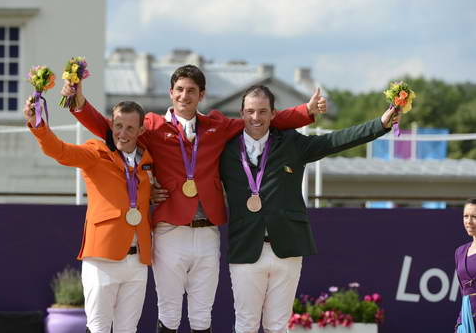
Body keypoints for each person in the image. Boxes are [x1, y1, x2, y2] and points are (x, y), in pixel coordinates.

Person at [60, 64, 327, 332]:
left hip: (207, 231)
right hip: (170, 230)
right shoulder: (150, 126)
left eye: (191, 91)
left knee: (201, 317)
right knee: (169, 314)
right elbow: (108, 128)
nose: (184, 96)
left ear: (201, 95)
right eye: (179, 90)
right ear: (170, 92)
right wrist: (77, 101)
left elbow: (260, 120)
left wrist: (305, 111)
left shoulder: (217, 125)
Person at [218, 85, 400, 333]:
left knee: (277, 325)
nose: (255, 118)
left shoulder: (291, 143)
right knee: (246, 324)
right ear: (241, 113)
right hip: (245, 248)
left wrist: (379, 124)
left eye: (262, 111)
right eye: (250, 111)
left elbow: (333, 141)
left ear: (274, 114)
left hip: (287, 248)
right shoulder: (226, 149)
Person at [24, 99, 153, 333]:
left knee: (129, 330)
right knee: (98, 328)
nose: (122, 133)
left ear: (141, 131)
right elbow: (60, 151)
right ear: (111, 125)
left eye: (130, 128)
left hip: (138, 260)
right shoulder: (96, 152)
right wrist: (39, 126)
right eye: (118, 126)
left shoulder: (147, 161)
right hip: (102, 258)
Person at [454, 198, 476, 333]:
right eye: (466, 216)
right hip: (466, 320)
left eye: (474, 216)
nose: (469, 221)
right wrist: (460, 323)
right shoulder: (460, 252)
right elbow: (463, 292)